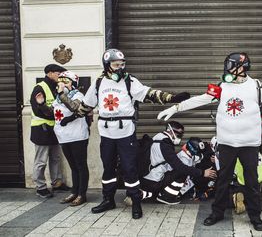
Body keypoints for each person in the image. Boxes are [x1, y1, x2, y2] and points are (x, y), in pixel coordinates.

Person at [157, 52, 262, 231]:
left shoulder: (255, 87)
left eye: (231, 67)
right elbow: (201, 99)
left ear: (242, 68)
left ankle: (255, 216)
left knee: (251, 181)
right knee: (223, 180)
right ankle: (217, 213)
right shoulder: (222, 86)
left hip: (249, 144)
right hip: (227, 143)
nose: (228, 70)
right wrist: (176, 107)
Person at [77, 49, 190, 219]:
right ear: (107, 66)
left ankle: (135, 202)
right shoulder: (99, 84)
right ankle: (108, 199)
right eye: (116, 65)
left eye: (122, 64)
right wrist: (72, 111)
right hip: (107, 135)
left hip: (126, 135)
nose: (120, 68)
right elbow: (85, 106)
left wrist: (171, 98)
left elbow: (149, 94)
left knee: (130, 169)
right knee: (108, 169)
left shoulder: (130, 81)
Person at [141, 123, 217, 204]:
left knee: (180, 171)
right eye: (179, 134)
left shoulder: (159, 137)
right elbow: (180, 167)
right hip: (154, 180)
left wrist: (209, 157)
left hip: (148, 177)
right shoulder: (165, 145)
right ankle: (167, 197)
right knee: (182, 172)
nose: (180, 137)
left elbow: (197, 158)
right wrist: (202, 173)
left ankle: (150, 193)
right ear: (170, 131)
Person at [31, 64, 70, 198]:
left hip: (54, 129)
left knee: (55, 158)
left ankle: (57, 182)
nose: (60, 76)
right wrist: (53, 113)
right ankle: (40, 187)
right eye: (58, 73)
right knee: (41, 160)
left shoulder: (56, 87)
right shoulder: (39, 87)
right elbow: (37, 109)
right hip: (41, 130)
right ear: (50, 73)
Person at [52, 71, 90, 206]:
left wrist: (62, 93)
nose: (61, 84)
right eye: (60, 81)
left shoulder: (79, 95)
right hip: (63, 136)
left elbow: (74, 107)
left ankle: (82, 194)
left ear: (73, 84)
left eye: (66, 81)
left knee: (80, 166)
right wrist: (40, 105)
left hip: (77, 136)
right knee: (73, 166)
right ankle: (74, 192)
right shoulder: (57, 97)